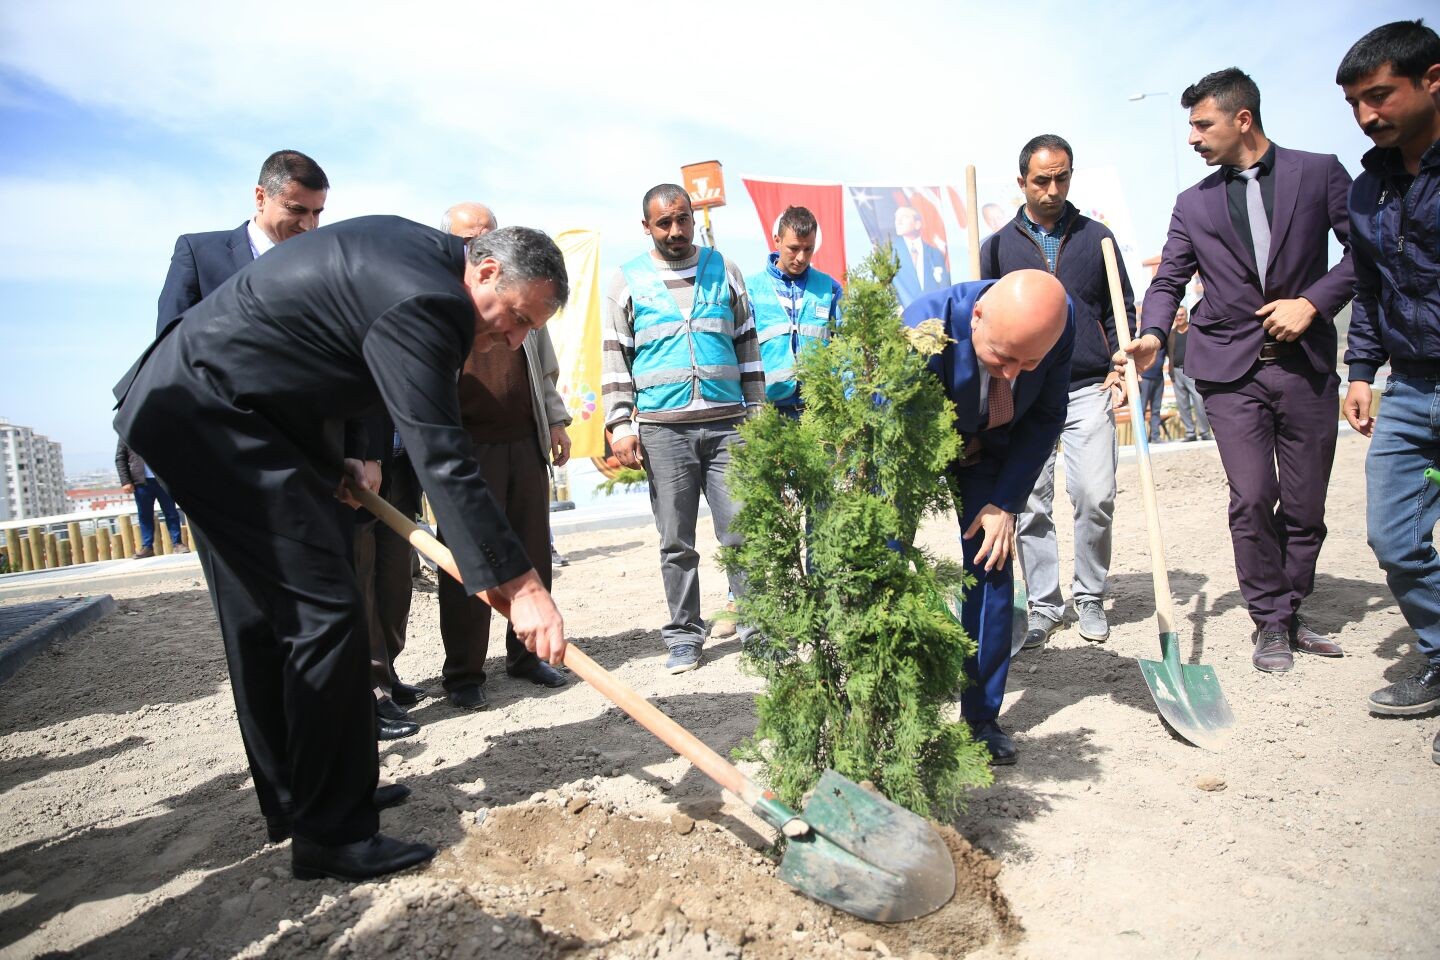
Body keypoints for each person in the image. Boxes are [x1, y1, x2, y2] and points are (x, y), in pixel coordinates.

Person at [115, 217, 570, 881]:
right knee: (323, 611)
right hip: (206, 413)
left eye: (533, 328)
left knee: (279, 616)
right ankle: (330, 831)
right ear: (487, 271)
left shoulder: (426, 263)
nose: (516, 336)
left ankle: (309, 797)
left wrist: (342, 460)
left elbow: (329, 353)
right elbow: (442, 455)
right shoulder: (429, 298)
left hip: (233, 409)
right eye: (520, 316)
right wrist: (524, 588)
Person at [1130, 67, 1354, 674]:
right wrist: (1153, 332)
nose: (1193, 138)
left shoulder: (1321, 172)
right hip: (1229, 371)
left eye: (1202, 124)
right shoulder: (1192, 203)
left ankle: (1292, 606)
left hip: (1306, 368)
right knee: (1253, 496)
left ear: (1242, 119)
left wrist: (1313, 302)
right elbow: (1170, 277)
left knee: (1306, 506)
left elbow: (1368, 252)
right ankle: (1271, 622)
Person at [903, 270, 1073, 765]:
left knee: (992, 562)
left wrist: (1007, 501)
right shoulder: (924, 327)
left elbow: (1045, 415)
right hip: (917, 445)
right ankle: (888, 708)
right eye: (1003, 356)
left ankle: (981, 719)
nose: (1014, 374)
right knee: (882, 561)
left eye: (1030, 362)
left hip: (990, 449)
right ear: (976, 317)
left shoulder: (1058, 321)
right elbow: (887, 426)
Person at [601, 183, 764, 674]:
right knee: (677, 541)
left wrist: (758, 414)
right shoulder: (626, 280)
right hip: (663, 431)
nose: (676, 230)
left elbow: (747, 342)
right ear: (646, 226)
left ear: (693, 218)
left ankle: (759, 631)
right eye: (664, 223)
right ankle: (685, 637)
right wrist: (619, 423)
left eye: (683, 219)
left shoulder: (724, 269)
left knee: (741, 535)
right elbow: (615, 356)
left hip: (729, 427)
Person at [980, 134, 1132, 650]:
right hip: (1022, 391)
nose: (1052, 189)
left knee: (1095, 494)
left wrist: (1122, 364)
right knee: (1031, 502)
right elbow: (985, 319)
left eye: (1062, 177)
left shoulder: (1099, 239)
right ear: (1021, 181)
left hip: (1088, 385)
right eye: (1041, 179)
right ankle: (1045, 604)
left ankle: (1089, 593)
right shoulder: (998, 246)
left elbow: (1119, 309)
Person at [1336, 19, 1440, 760]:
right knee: (1394, 537)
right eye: (1357, 105)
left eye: (1380, 96)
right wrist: (1362, 371)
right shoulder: (1369, 187)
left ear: (1433, 79)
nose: (1369, 115)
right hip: (1410, 384)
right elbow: (1370, 289)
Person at [438, 202, 573, 709]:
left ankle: (525, 657)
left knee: (531, 549)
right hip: (465, 446)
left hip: (523, 438)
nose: (479, 243)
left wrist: (555, 420)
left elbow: (545, 366)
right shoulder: (446, 302)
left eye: (488, 234)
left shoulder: (522, 295)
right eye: (468, 238)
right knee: (466, 562)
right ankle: (465, 674)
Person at [114, 437, 189, 558]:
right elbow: (120, 458)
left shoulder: (155, 427)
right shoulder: (126, 432)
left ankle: (178, 543)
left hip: (163, 480)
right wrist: (125, 481)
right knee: (144, 515)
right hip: (141, 482)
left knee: (171, 513)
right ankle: (147, 547)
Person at [1168, 307, 1213, 441]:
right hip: (1176, 372)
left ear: (1186, 315)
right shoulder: (1171, 334)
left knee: (1199, 401)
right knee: (1182, 404)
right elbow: (1166, 353)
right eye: (1176, 316)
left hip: (1193, 371)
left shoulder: (1194, 331)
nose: (1179, 318)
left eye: (1181, 315)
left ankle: (1205, 432)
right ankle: (1190, 433)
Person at [891, 205, 949, 307]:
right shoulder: (890, 253)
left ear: (917, 224)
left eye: (904, 217)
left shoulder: (934, 253)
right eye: (896, 217)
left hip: (932, 313)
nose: (898, 221)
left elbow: (943, 285)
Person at [1139, 338, 1168, 443]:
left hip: (1159, 378)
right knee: (1141, 409)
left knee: (1156, 409)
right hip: (1144, 378)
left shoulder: (1163, 342)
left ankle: (1155, 436)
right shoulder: (1142, 339)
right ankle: (1140, 438)